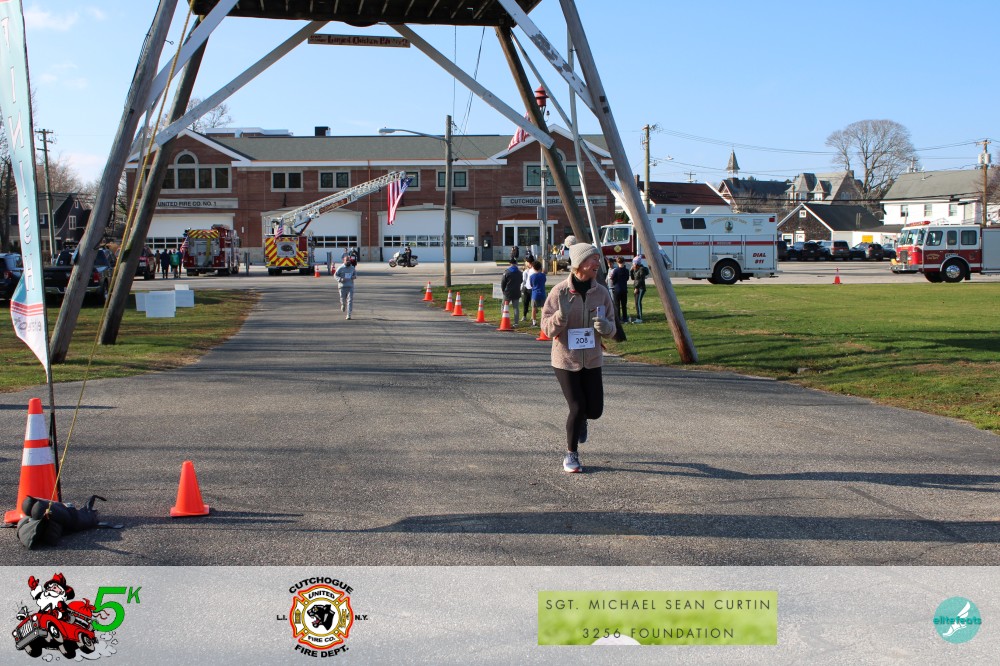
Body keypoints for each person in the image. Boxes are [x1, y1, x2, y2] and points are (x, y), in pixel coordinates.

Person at [540, 242, 616, 473]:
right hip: (565, 359)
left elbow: (612, 327)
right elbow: (547, 329)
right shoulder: (559, 292)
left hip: (592, 359)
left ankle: (583, 420)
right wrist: (561, 316)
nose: (597, 263)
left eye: (597, 259)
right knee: (577, 406)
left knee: (595, 411)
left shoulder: (601, 292)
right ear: (579, 263)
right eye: (593, 258)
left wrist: (606, 327)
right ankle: (571, 454)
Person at [500, 258, 523, 326]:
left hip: (508, 292)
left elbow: (503, 282)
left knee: (504, 306)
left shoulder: (507, 272)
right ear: (516, 263)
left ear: (510, 263)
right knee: (516, 308)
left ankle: (505, 320)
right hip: (517, 291)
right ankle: (516, 323)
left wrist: (503, 290)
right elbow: (521, 281)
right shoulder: (519, 272)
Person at [609, 256, 630, 323]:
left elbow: (612, 278)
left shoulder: (616, 270)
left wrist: (615, 282)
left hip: (617, 289)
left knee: (617, 305)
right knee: (624, 305)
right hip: (624, 289)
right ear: (624, 262)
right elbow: (627, 278)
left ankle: (618, 319)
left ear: (617, 262)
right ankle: (625, 318)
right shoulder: (626, 270)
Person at [630, 255, 649, 323]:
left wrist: (637, 288)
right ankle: (638, 316)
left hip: (641, 288)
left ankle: (640, 318)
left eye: (633, 263)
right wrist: (631, 271)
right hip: (636, 287)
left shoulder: (641, 269)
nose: (633, 264)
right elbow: (633, 278)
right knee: (636, 302)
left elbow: (641, 280)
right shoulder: (636, 269)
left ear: (636, 263)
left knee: (638, 302)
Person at [529, 260, 546, 326]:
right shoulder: (543, 275)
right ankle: (543, 320)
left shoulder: (532, 276)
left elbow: (531, 285)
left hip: (535, 294)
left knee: (534, 308)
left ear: (533, 267)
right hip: (542, 293)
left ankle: (534, 322)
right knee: (543, 308)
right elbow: (544, 282)